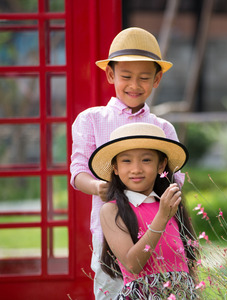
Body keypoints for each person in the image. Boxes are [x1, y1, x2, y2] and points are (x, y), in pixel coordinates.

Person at [70, 27, 184, 299]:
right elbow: (77, 171)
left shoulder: (162, 128)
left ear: (157, 79)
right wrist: (98, 186)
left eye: (144, 78)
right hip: (111, 232)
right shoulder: (92, 120)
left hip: (158, 229)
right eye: (126, 76)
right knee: (113, 291)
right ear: (111, 75)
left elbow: (176, 178)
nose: (135, 85)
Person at [89, 123, 198, 299]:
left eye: (146, 160)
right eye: (126, 161)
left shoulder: (168, 203)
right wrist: (162, 217)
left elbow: (186, 261)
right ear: (115, 168)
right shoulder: (111, 210)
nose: (136, 169)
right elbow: (133, 264)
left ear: (161, 165)